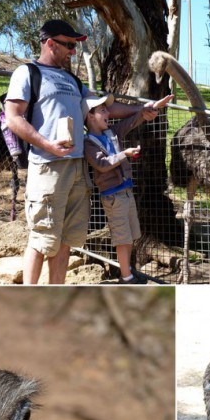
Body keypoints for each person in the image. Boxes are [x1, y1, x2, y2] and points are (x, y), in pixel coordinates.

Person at [5, 19, 170, 285]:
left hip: (78, 169)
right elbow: (14, 117)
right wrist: (47, 145)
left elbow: (102, 108)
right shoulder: (28, 73)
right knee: (42, 238)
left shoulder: (71, 79)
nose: (73, 51)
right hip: (48, 167)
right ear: (50, 43)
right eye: (69, 45)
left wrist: (141, 110)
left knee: (66, 240)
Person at [84, 92, 173, 284]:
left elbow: (133, 121)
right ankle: (126, 277)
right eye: (102, 110)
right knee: (122, 238)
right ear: (90, 116)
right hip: (113, 196)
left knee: (131, 235)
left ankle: (128, 271)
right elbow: (103, 164)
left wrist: (153, 106)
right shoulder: (88, 142)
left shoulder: (111, 132)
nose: (108, 112)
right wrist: (124, 154)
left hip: (126, 191)